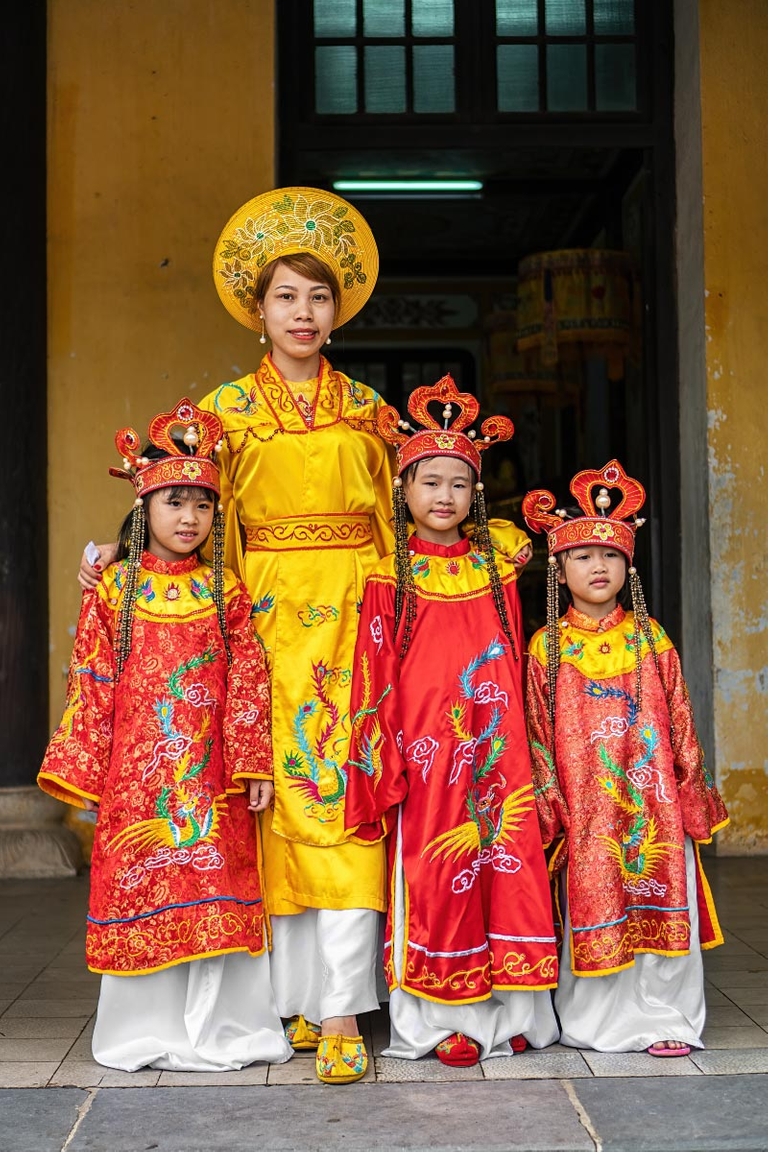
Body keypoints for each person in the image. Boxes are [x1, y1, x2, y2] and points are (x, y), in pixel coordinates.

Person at [79, 188, 393, 1084]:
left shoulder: (370, 411)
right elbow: (175, 492)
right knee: (261, 816)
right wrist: (116, 544)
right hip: (250, 635)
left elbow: (410, 526)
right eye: (286, 298)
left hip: (351, 637)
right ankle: (282, 1003)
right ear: (258, 312)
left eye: (318, 298)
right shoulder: (225, 411)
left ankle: (339, 1008)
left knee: (343, 812)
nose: (303, 314)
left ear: (339, 312)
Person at [39, 398, 292, 1072]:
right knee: (144, 888)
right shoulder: (116, 588)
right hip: (136, 778)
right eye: (175, 502)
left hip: (210, 778)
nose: (189, 518)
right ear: (142, 507)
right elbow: (90, 679)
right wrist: (86, 777)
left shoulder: (228, 591)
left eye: (203, 505)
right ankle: (142, 1031)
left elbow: (249, 681)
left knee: (210, 890)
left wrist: (253, 762)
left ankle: (224, 1028)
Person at [343, 375, 559, 1067]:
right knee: (436, 878)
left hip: (499, 751)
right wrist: (385, 757)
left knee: (509, 868)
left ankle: (516, 1015)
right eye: (429, 481)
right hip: (428, 754)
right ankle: (440, 1023)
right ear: (403, 491)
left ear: (477, 493)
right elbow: (372, 676)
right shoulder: (386, 576)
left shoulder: (497, 563)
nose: (443, 496)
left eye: (459, 483)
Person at [522, 460, 729, 1056]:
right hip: (587, 808)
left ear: (627, 565)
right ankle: (597, 1023)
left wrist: (690, 788)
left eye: (610, 556)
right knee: (595, 897)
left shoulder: (651, 636)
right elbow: (537, 732)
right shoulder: (547, 646)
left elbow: (682, 717)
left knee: (662, 895)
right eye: (583, 556)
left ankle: (667, 1019)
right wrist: (550, 798)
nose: (597, 567)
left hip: (653, 800)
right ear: (559, 568)